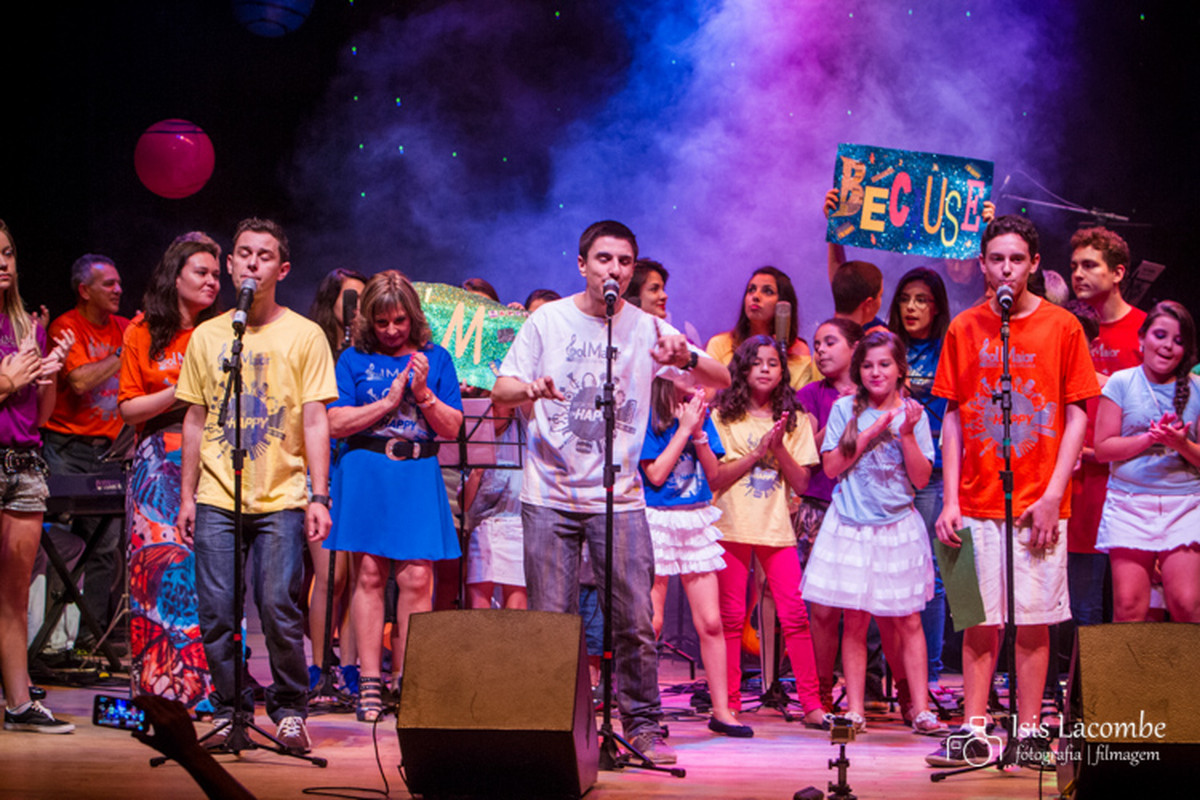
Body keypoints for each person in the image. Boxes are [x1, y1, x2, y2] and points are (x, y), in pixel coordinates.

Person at [492, 220, 730, 765]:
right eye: (604, 259)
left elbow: (718, 376)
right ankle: (552, 727)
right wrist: (531, 388)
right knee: (552, 623)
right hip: (550, 495)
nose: (614, 270)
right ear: (582, 265)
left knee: (633, 621)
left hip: (619, 498)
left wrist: (686, 355)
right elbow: (501, 388)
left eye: (624, 261)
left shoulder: (648, 328)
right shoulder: (548, 320)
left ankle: (643, 726)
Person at [927, 215, 1098, 769]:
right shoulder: (965, 327)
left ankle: (1029, 734)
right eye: (996, 258)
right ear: (983, 264)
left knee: (1034, 620)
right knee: (976, 620)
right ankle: (973, 732)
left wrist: (1053, 493)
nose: (1006, 268)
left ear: (1033, 265)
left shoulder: (1063, 327)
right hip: (972, 498)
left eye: (1016, 259)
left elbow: (1077, 416)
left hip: (1038, 504)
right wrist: (949, 498)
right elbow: (952, 416)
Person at [176, 218, 337, 754]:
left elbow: (316, 419)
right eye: (243, 253)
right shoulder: (210, 334)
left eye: (264, 256)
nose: (251, 263)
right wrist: (186, 496)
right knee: (218, 610)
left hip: (283, 495)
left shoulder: (305, 335)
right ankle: (230, 708)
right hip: (219, 494)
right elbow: (195, 420)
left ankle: (290, 707)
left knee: (277, 606)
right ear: (230, 263)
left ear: (282, 269)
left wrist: (319, 494)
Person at [324, 270, 463, 723]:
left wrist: (421, 394)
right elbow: (335, 423)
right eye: (381, 322)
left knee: (418, 578)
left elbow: (452, 427)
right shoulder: (352, 359)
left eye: (399, 321)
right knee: (368, 573)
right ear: (368, 320)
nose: (391, 331)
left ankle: (409, 679)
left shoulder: (436, 358)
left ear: (413, 316)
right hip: (367, 471)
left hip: (417, 471)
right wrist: (387, 404)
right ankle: (368, 680)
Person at [801, 330, 944, 735]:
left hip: (897, 527)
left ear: (900, 369)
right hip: (850, 527)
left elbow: (919, 478)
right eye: (867, 365)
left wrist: (906, 434)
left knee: (907, 621)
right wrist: (867, 433)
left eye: (884, 364)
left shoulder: (912, 413)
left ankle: (919, 708)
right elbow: (830, 468)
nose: (876, 372)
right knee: (856, 619)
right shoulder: (845, 409)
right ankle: (857, 708)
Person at [119, 233, 221, 708]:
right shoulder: (141, 331)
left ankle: (210, 689)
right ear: (175, 276)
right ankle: (163, 690)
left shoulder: (222, 333)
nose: (212, 281)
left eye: (217, 275)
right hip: (159, 461)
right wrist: (182, 390)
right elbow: (128, 410)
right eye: (202, 272)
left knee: (212, 571)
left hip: (215, 457)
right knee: (161, 573)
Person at [709, 334, 827, 727]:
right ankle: (728, 704)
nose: (764, 368)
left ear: (782, 371)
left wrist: (778, 449)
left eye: (773, 363)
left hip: (776, 529)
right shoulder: (724, 415)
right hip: (730, 524)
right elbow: (716, 477)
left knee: (794, 615)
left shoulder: (792, 421)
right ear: (742, 369)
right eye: (756, 362)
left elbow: (804, 483)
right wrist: (758, 452)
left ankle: (811, 704)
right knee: (728, 617)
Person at [640, 377, 749, 737]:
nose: (694, 378)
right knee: (651, 623)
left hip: (695, 517)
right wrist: (683, 429)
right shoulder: (650, 414)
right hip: (658, 518)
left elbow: (713, 473)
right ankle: (645, 712)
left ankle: (722, 711)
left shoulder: (701, 414)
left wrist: (698, 431)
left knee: (711, 622)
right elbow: (655, 474)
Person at [0, 219, 74, 733]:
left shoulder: (27, 324)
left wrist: (45, 376)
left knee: (15, 595)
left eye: (6, 252)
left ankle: (20, 703)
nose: (2, 262)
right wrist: (7, 379)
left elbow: (41, 416)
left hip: (25, 466)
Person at [42, 253, 130, 649]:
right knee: (61, 542)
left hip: (108, 453)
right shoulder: (66, 326)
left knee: (105, 548)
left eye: (118, 283)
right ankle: (50, 640)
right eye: (108, 284)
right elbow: (78, 381)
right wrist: (121, 354)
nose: (118, 290)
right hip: (66, 446)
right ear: (84, 290)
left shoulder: (125, 328)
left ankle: (90, 642)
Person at [1093, 301, 1200, 623]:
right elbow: (1103, 449)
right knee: (1128, 606)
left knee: (1185, 602)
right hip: (1129, 502)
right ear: (1142, 339)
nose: (1168, 346)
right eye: (1160, 335)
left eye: (1178, 340)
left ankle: (1186, 675)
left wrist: (1181, 443)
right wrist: (1149, 439)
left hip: (1184, 502)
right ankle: (1126, 676)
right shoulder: (1121, 382)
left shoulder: (1197, 389)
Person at [1067, 227, 1146, 627]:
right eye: (1074, 266)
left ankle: (1116, 690)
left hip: (1127, 486)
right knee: (1077, 606)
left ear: (1117, 273)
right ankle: (1071, 690)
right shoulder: (1065, 328)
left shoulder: (1148, 332)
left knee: (1127, 605)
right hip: (1075, 483)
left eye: (1089, 265)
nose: (1078, 274)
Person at [886, 267, 954, 696]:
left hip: (944, 475)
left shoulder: (952, 346)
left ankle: (932, 673)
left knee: (945, 573)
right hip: (892, 474)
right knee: (895, 572)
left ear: (937, 306)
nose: (912, 307)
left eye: (922, 300)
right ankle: (895, 676)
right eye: (906, 299)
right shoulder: (886, 347)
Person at [795, 317, 863, 709]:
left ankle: (896, 694)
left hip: (864, 511)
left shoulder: (876, 389)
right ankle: (819, 690)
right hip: (820, 508)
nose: (820, 350)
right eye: (817, 344)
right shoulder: (810, 395)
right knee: (821, 610)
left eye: (830, 342)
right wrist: (839, 412)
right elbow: (809, 455)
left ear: (855, 347)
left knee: (866, 612)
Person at [305, 268, 366, 695]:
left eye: (361, 301)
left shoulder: (366, 354)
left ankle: (349, 666)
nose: (355, 310)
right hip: (320, 469)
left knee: (357, 572)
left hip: (356, 467)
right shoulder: (314, 345)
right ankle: (318, 666)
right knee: (331, 573)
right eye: (348, 301)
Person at [705, 266, 817, 388]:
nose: (756, 296)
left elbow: (800, 401)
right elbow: (710, 398)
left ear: (783, 303)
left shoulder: (798, 351)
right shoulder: (720, 344)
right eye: (751, 290)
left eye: (768, 291)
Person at [462, 402, 527, 610]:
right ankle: (481, 644)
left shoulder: (521, 430)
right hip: (482, 527)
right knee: (479, 603)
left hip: (517, 524)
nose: (493, 412)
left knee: (516, 603)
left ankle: (514, 644)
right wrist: (476, 472)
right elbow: (464, 504)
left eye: (499, 407)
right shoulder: (474, 434)